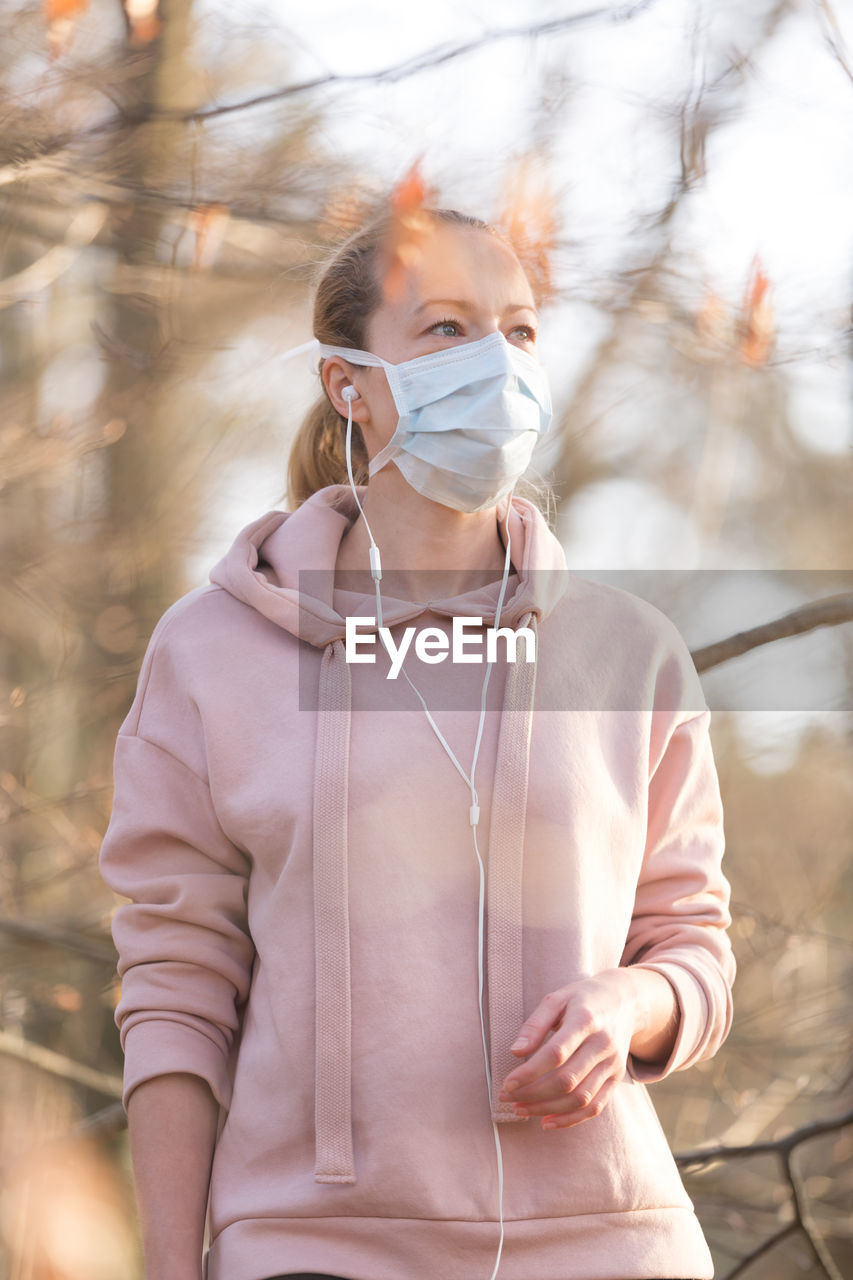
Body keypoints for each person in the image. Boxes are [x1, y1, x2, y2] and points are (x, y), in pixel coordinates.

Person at [99, 205, 735, 1280]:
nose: (494, 358)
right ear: (348, 382)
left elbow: (695, 946)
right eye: (445, 327)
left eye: (519, 329)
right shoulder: (210, 650)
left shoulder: (632, 653)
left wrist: (631, 1001)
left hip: (611, 1242)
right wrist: (170, 1262)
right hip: (310, 1247)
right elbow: (176, 984)